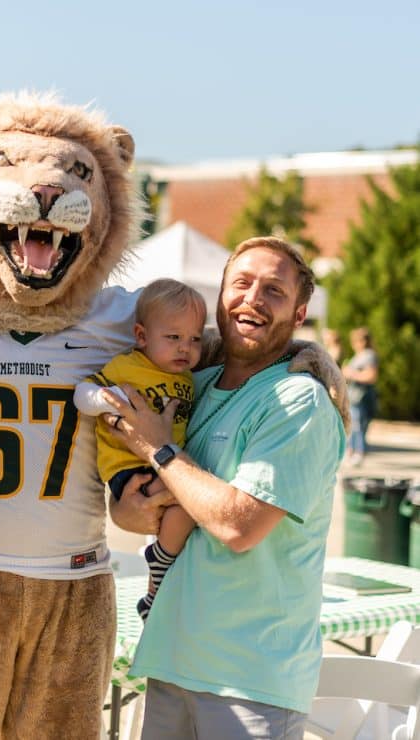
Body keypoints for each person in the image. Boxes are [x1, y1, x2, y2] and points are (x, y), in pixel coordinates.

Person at [104, 236, 345, 739]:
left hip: (248, 680)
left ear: (299, 314)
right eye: (242, 282)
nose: (253, 298)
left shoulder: (298, 401)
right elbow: (141, 506)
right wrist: (129, 506)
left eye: (274, 290)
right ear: (220, 297)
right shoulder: (195, 384)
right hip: (174, 661)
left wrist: (157, 449)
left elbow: (238, 527)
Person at [74, 279, 206, 619]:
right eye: (174, 338)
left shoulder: (188, 378)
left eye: (194, 339)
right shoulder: (127, 366)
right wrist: (103, 400)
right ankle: (159, 567)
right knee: (194, 497)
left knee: (187, 505)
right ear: (142, 336)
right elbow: (81, 393)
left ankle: (155, 587)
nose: (185, 348)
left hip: (162, 465)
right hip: (129, 468)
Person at [343, 326, 378, 466]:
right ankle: (351, 451)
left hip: (361, 398)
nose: (354, 344)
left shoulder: (369, 355)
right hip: (354, 397)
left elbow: (371, 376)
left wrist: (350, 373)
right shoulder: (359, 355)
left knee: (358, 426)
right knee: (353, 425)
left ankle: (359, 452)